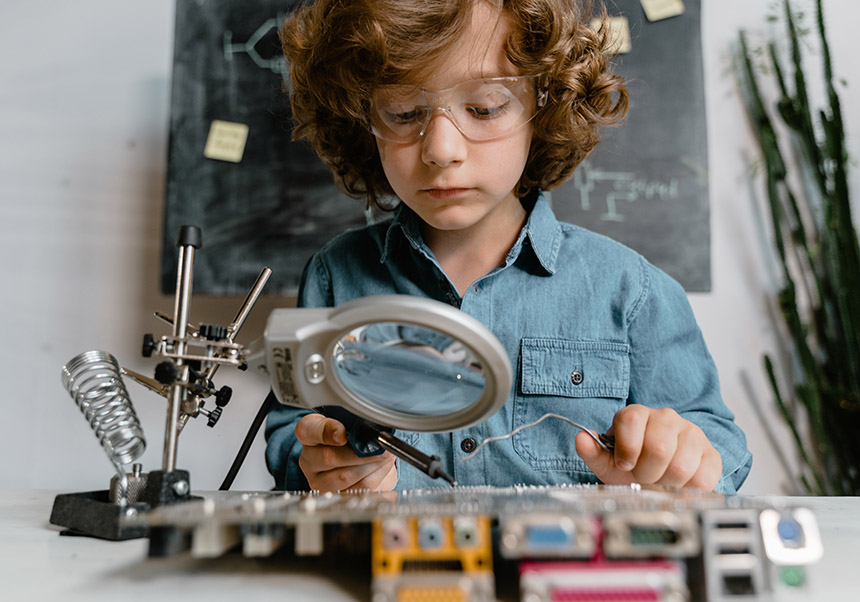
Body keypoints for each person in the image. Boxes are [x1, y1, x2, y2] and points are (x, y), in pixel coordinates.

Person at [265, 0, 752, 495]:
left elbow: (721, 450)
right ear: (361, 118)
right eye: (403, 112)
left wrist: (683, 459)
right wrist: (325, 463)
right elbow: (291, 434)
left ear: (544, 105)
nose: (441, 150)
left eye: (484, 108)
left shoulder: (632, 292)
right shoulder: (335, 276)